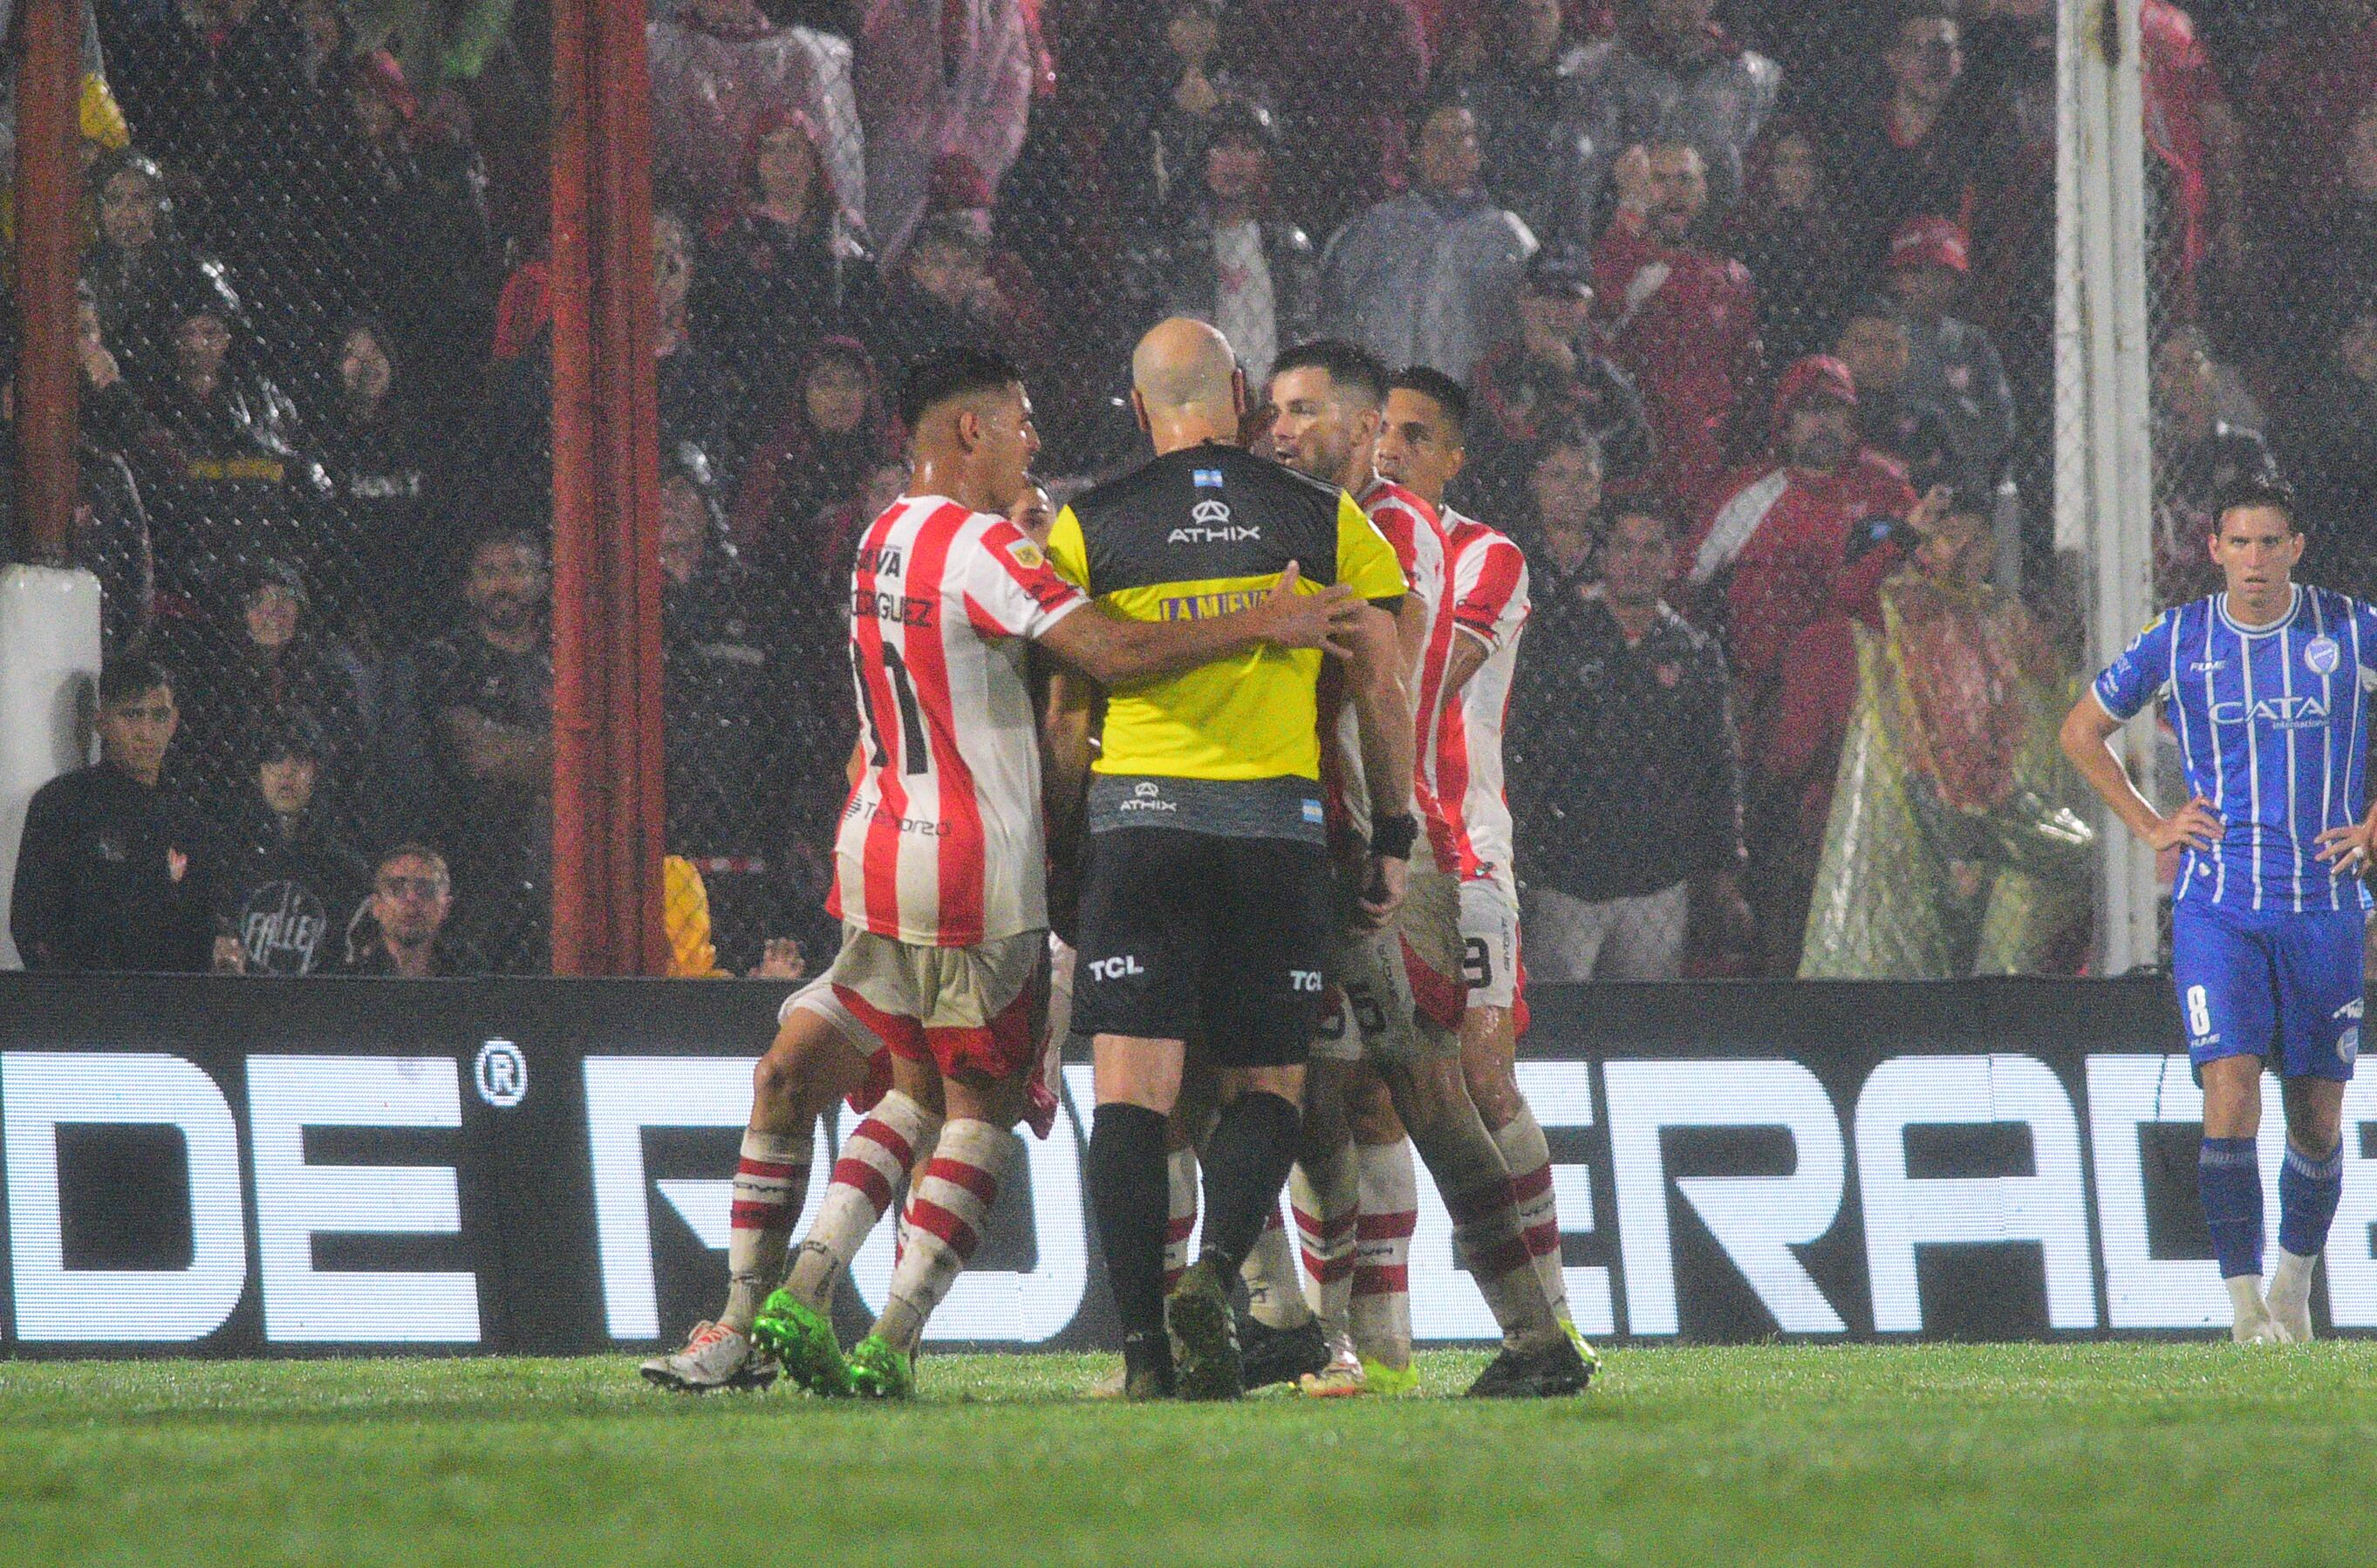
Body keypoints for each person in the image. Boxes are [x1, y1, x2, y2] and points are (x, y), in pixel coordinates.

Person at [640, 344, 1362, 1398]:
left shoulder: (880, 535)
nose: (1036, 442)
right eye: (1021, 422)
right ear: (968, 431)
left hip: (878, 852)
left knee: (881, 1082)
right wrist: (1261, 617)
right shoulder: (992, 551)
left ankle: (776, 1303)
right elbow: (1106, 656)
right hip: (983, 869)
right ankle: (886, 1335)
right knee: (983, 1105)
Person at [1040, 322, 1417, 1404]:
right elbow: (1382, 695)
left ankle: (1144, 1355)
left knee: (1132, 1096)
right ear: (1243, 393)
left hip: (1140, 824)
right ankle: (1215, 1274)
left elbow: (1068, 715)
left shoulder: (1086, 526)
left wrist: (1069, 844)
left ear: (1135, 401)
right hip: (1274, 828)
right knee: (1269, 1086)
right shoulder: (1327, 521)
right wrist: (1389, 830)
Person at [2060, 479, 2371, 1344]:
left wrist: (2373, 824)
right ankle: (2241, 1311)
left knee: (2314, 1115)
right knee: (2229, 1090)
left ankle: (2291, 1289)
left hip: (2325, 906)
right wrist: (2152, 824)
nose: (2255, 560)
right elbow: (2080, 731)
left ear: (2297, 548)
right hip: (2220, 906)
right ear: (2214, 551)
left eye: (2271, 543)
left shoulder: (2349, 629)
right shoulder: (2182, 639)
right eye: (2239, 544)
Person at [1369, 365, 1603, 1390]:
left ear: (1453, 460)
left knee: (1482, 1077)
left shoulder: (1486, 556)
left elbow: (1421, 677)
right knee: (1367, 1095)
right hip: (1376, 844)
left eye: (1416, 436)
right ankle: (1367, 1343)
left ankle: (1550, 1318)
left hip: (1464, 851)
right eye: (1381, 429)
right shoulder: (1346, 541)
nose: (1390, 449)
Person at [1686, 355, 1916, 974]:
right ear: (1784, 423)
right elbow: (1683, 587)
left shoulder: (1886, 489)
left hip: (1864, 707)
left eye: (1836, 412)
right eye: (1810, 410)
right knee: (1776, 863)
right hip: (1768, 708)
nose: (1823, 425)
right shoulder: (1746, 496)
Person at [1799, 494, 2087, 978]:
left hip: (1999, 789)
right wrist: (1904, 532)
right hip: (1928, 788)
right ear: (1924, 546)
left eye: (1977, 541)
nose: (1965, 553)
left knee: (2078, 855)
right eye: (1951, 539)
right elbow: (1849, 594)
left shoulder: (1999, 608)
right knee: (1947, 910)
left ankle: (2008, 979)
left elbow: (2052, 677)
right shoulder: (1902, 601)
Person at [1510, 504, 1745, 980]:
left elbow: (1717, 763)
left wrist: (1723, 863)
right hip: (1564, 874)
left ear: (1671, 560)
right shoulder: (1557, 636)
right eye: (1625, 547)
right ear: (1604, 556)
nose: (1636, 561)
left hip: (1655, 879)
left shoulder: (1693, 651)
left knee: (1643, 1026)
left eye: (1651, 548)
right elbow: (1520, 745)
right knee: (1558, 1023)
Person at [10, 658, 215, 973]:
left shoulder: (186, 819)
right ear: (101, 721)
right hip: (86, 1006)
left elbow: (200, 929)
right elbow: (33, 925)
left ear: (174, 722)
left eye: (158, 716)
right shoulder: (64, 805)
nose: (146, 732)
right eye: (131, 715)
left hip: (168, 1006)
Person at [1593, 139, 1762, 515]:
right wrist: (1630, 210)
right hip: (1634, 456)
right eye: (1659, 180)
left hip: (1706, 465)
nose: (1673, 193)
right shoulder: (1619, 259)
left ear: (1704, 189)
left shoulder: (1732, 278)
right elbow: (1605, 308)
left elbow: (1744, 378)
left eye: (1684, 180)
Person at [1318, 99, 1536, 384]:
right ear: (1416, 152)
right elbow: (1332, 308)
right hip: (1387, 395)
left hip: (1476, 404)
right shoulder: (1374, 228)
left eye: (1461, 138)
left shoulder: (1508, 235)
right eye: (1436, 137)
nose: (1448, 149)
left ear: (1479, 153)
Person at [414, 528, 554, 974]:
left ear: (543, 581)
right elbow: (478, 751)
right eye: (489, 572)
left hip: (553, 858)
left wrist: (515, 750)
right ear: (469, 587)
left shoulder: (569, 653)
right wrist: (564, 754)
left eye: (517, 569)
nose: (503, 585)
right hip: (472, 859)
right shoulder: (449, 658)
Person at [1120, 98, 1317, 390]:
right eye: (1222, 146)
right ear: (1202, 157)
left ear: (1267, 161)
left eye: (1247, 148)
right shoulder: (1175, 247)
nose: (1233, 161)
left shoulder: (1287, 247)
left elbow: (1302, 337)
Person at [1561, 0, 1782, 228]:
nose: (1679, 4)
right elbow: (1583, 169)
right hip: (1620, 230)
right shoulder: (1601, 68)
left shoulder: (1752, 77)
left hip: (1720, 234)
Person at [1466, 249, 1653, 515]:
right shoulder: (1495, 370)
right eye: (1544, 295)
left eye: (1569, 298)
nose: (1555, 310)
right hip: (1508, 514)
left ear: (1587, 305)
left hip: (1590, 522)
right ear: (1523, 299)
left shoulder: (1607, 378)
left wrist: (1572, 374)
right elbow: (1498, 452)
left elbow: (1634, 457)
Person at [855, 0, 1035, 259]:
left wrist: (971, 154)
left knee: (960, 251)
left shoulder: (1000, 10)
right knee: (898, 253)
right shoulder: (895, 9)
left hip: (970, 165)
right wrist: (921, 136)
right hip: (902, 162)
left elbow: (1013, 91)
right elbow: (877, 78)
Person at [210, 712, 371, 978]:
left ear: (316, 772)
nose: (287, 772)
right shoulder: (229, 859)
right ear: (260, 771)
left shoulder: (345, 869)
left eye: (299, 760)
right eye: (275, 760)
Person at [340, 843, 482, 976]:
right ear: (377, 906)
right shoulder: (350, 975)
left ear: (445, 907)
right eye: (396, 888)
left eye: (425, 889)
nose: (411, 898)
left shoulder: (471, 974)